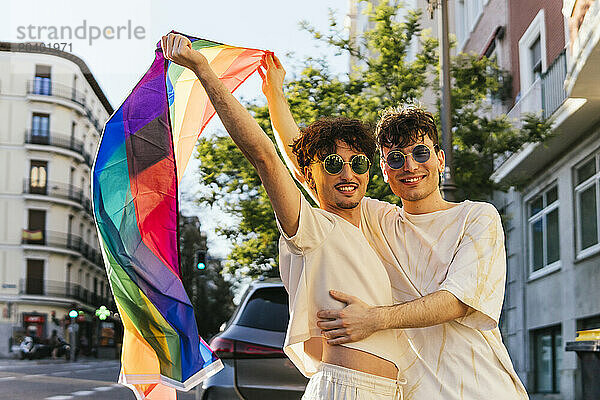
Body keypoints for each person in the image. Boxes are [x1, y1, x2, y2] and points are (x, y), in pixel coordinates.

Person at [161, 33, 410, 400]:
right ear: (310, 175)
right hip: (349, 390)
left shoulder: (375, 222)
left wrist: (275, 93)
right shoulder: (313, 228)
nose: (347, 174)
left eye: (357, 163)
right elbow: (265, 155)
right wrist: (203, 70)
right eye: (333, 164)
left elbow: (297, 149)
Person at [262, 57, 528, 399]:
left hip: (481, 390)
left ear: (440, 159)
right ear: (383, 171)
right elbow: (310, 169)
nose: (410, 165)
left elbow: (457, 302)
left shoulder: (477, 217)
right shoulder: (375, 219)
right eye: (396, 158)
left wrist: (375, 319)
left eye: (420, 152)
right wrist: (275, 94)